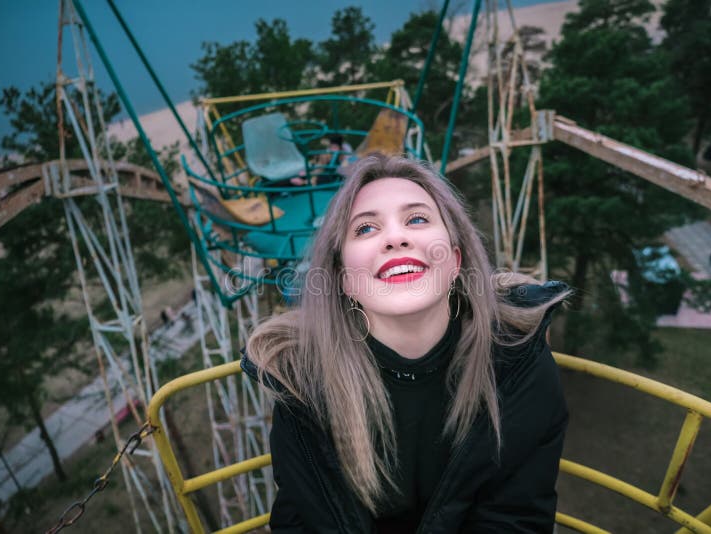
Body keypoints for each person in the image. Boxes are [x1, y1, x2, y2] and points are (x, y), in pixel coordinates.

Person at [241, 154, 570, 532]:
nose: (396, 238)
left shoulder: (517, 361)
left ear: (455, 260)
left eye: (417, 219)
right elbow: (301, 522)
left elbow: (515, 519)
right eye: (365, 229)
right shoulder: (301, 379)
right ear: (344, 278)